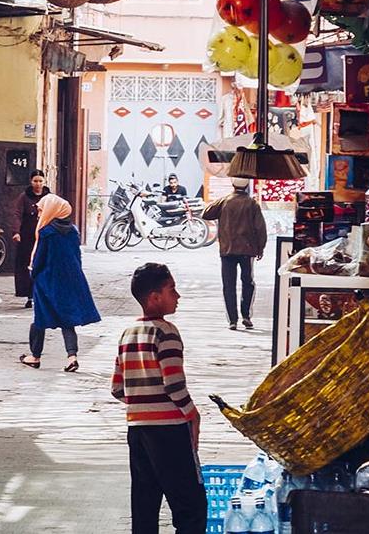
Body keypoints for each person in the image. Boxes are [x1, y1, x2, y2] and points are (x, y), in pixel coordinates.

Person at [111, 263, 206, 534]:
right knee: (191, 506)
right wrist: (193, 414)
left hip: (138, 431)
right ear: (154, 297)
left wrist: (143, 403)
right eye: (172, 290)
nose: (178, 296)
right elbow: (174, 385)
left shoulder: (127, 334)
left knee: (144, 505)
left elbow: (117, 388)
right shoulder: (167, 332)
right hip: (169, 432)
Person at [17, 194, 100, 372]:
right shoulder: (73, 231)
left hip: (47, 280)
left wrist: (34, 273)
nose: (39, 213)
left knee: (40, 319)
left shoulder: (46, 233)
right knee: (67, 321)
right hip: (69, 280)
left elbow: (39, 259)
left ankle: (35, 356)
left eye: (41, 209)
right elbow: (77, 257)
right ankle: (72, 357)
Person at [202, 177, 267, 331]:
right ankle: (246, 315)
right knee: (248, 282)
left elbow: (206, 213)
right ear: (246, 187)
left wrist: (223, 199)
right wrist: (260, 248)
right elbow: (260, 228)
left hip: (227, 250)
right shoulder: (252, 204)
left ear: (232, 185)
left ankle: (232, 320)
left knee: (228, 285)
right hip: (247, 250)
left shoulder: (225, 201)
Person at [11, 169, 50, 309]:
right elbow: (17, 214)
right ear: (31, 181)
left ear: (44, 181)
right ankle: (29, 296)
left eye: (40, 181)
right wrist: (16, 232)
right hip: (27, 236)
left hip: (45, 236)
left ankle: (44, 296)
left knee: (45, 265)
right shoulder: (24, 197)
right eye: (35, 181)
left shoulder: (49, 197)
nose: (38, 184)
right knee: (27, 265)